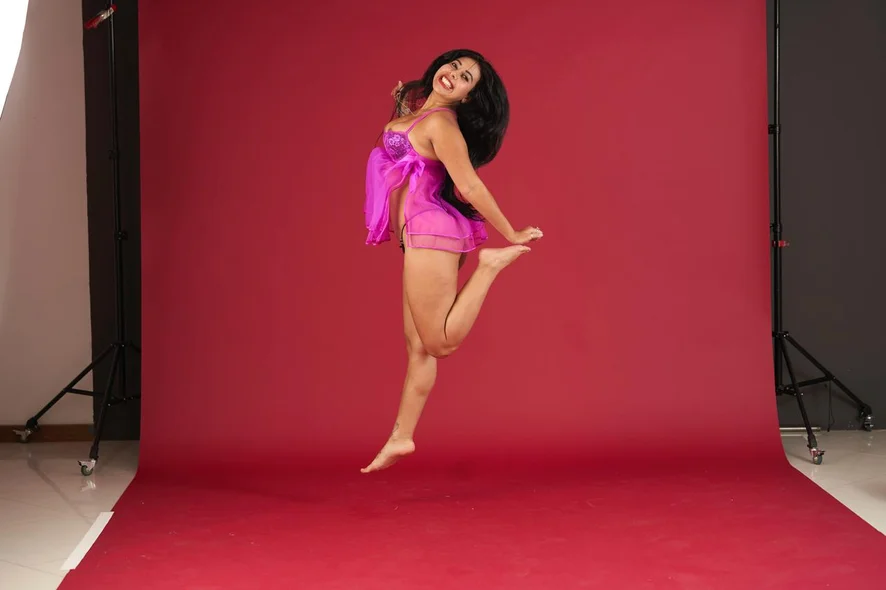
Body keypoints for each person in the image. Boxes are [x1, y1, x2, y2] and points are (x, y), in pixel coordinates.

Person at [361, 49, 544, 473]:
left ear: (466, 97)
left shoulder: (442, 125)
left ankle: (489, 267)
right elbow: (406, 144)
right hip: (417, 233)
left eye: (465, 78)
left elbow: (470, 185)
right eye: (455, 66)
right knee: (417, 346)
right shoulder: (421, 113)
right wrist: (404, 104)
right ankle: (402, 436)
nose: (454, 75)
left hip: (431, 230)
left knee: (439, 343)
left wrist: (511, 232)